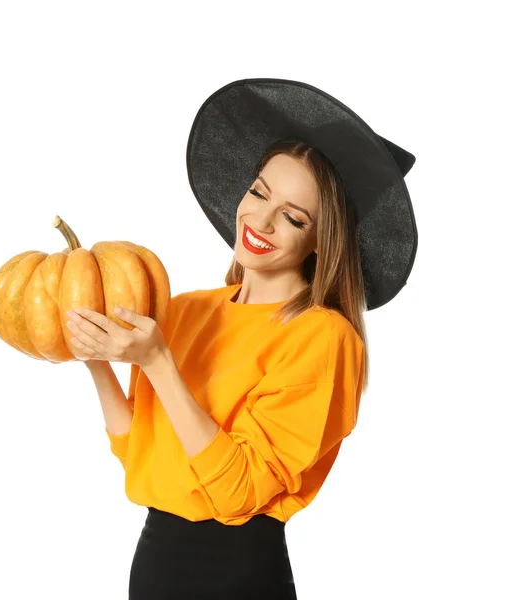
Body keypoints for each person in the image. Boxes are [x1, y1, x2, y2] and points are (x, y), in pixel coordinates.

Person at [66, 78, 418, 599]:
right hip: (154, 561)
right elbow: (135, 446)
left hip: (236, 573)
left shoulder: (323, 337)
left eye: (294, 218)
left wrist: (160, 362)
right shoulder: (186, 309)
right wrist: (93, 356)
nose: (261, 220)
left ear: (323, 240)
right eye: (258, 192)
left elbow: (237, 494)